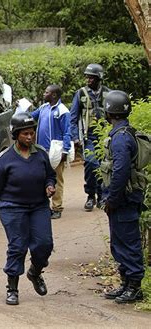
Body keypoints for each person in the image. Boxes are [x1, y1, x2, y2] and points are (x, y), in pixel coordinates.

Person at [0, 111, 56, 306]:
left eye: (32, 133)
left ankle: (35, 272)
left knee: (44, 244)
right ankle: (12, 288)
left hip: (39, 205)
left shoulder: (40, 154)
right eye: (25, 134)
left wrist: (50, 185)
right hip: (12, 207)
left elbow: (50, 175)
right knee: (18, 247)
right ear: (16, 134)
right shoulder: (5, 159)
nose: (29, 137)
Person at [100, 90, 144, 304]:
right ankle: (127, 283)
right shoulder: (124, 133)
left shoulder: (120, 139)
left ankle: (134, 286)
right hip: (124, 199)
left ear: (109, 111)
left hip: (124, 200)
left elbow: (120, 172)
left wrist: (112, 200)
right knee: (120, 242)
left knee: (128, 242)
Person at [70, 64, 110, 212]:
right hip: (89, 137)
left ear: (99, 78)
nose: (88, 79)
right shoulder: (80, 94)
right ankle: (90, 195)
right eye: (87, 77)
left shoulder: (108, 93)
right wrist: (75, 137)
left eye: (91, 77)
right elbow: (73, 118)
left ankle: (101, 196)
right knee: (90, 164)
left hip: (105, 136)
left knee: (103, 166)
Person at [31, 85, 71, 219]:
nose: (44, 93)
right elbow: (31, 117)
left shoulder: (62, 111)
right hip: (41, 150)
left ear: (54, 95)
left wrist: (65, 150)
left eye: (46, 92)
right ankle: (44, 206)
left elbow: (67, 132)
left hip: (55, 151)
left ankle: (57, 207)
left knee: (56, 178)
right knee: (41, 178)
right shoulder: (43, 108)